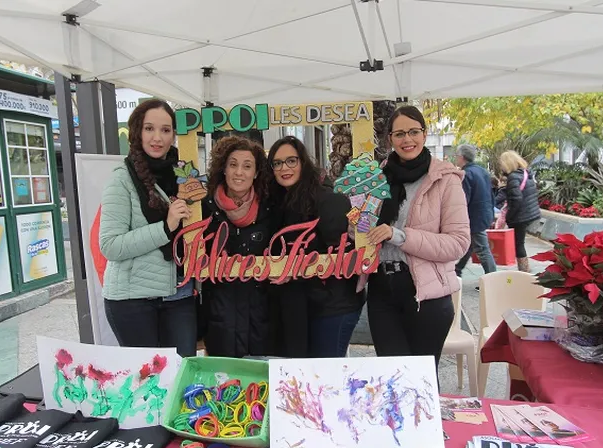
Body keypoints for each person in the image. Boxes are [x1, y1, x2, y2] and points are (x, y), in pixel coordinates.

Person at [365, 105, 470, 369]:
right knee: (392, 376)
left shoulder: (445, 180)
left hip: (425, 296)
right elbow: (365, 228)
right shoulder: (378, 178)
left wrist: (399, 236)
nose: (407, 139)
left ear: (424, 134)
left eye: (413, 132)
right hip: (381, 290)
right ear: (390, 138)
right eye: (399, 134)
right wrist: (355, 223)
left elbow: (458, 243)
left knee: (421, 380)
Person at [99, 99, 196, 356]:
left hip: (180, 294)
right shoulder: (122, 179)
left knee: (183, 370)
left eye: (165, 130)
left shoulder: (186, 176)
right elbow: (110, 245)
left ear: (174, 135)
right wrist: (165, 227)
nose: (157, 138)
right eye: (149, 128)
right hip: (134, 301)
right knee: (149, 377)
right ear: (137, 132)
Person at [268, 136, 365, 358]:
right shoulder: (281, 201)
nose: (284, 168)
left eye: (291, 161)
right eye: (277, 163)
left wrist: (294, 270)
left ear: (303, 162)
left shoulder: (329, 200)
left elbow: (344, 257)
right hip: (303, 306)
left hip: (333, 306)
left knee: (325, 373)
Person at [200, 136, 277, 358]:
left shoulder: (270, 209)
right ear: (223, 169)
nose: (239, 172)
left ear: (256, 172)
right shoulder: (203, 209)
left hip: (260, 318)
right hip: (219, 317)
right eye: (233, 165)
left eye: (247, 166)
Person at [453, 144, 497, 278]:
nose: (455, 158)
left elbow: (464, 200)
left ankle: (493, 279)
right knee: (471, 244)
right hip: (484, 214)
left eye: (456, 156)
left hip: (474, 217)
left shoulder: (466, 174)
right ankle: (458, 269)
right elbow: (491, 194)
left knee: (482, 249)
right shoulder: (482, 171)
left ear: (461, 157)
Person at [498, 150, 540, 273]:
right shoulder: (526, 173)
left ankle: (524, 271)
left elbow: (516, 199)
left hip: (521, 216)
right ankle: (524, 270)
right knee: (520, 243)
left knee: (518, 244)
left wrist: (509, 217)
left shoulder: (513, 177)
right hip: (529, 213)